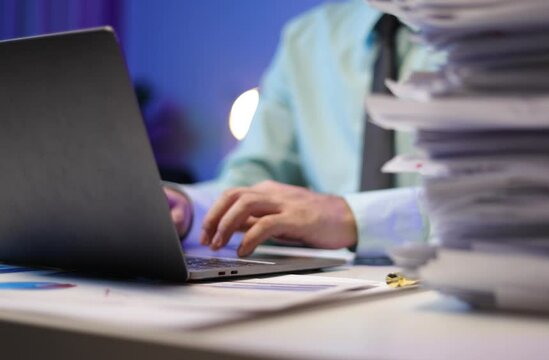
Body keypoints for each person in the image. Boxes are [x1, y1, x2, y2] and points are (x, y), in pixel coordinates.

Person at [165, 0, 445, 260]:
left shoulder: (484, 32)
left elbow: (486, 202)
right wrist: (190, 209)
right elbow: (255, 179)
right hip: (339, 284)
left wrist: (351, 217)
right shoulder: (306, 37)